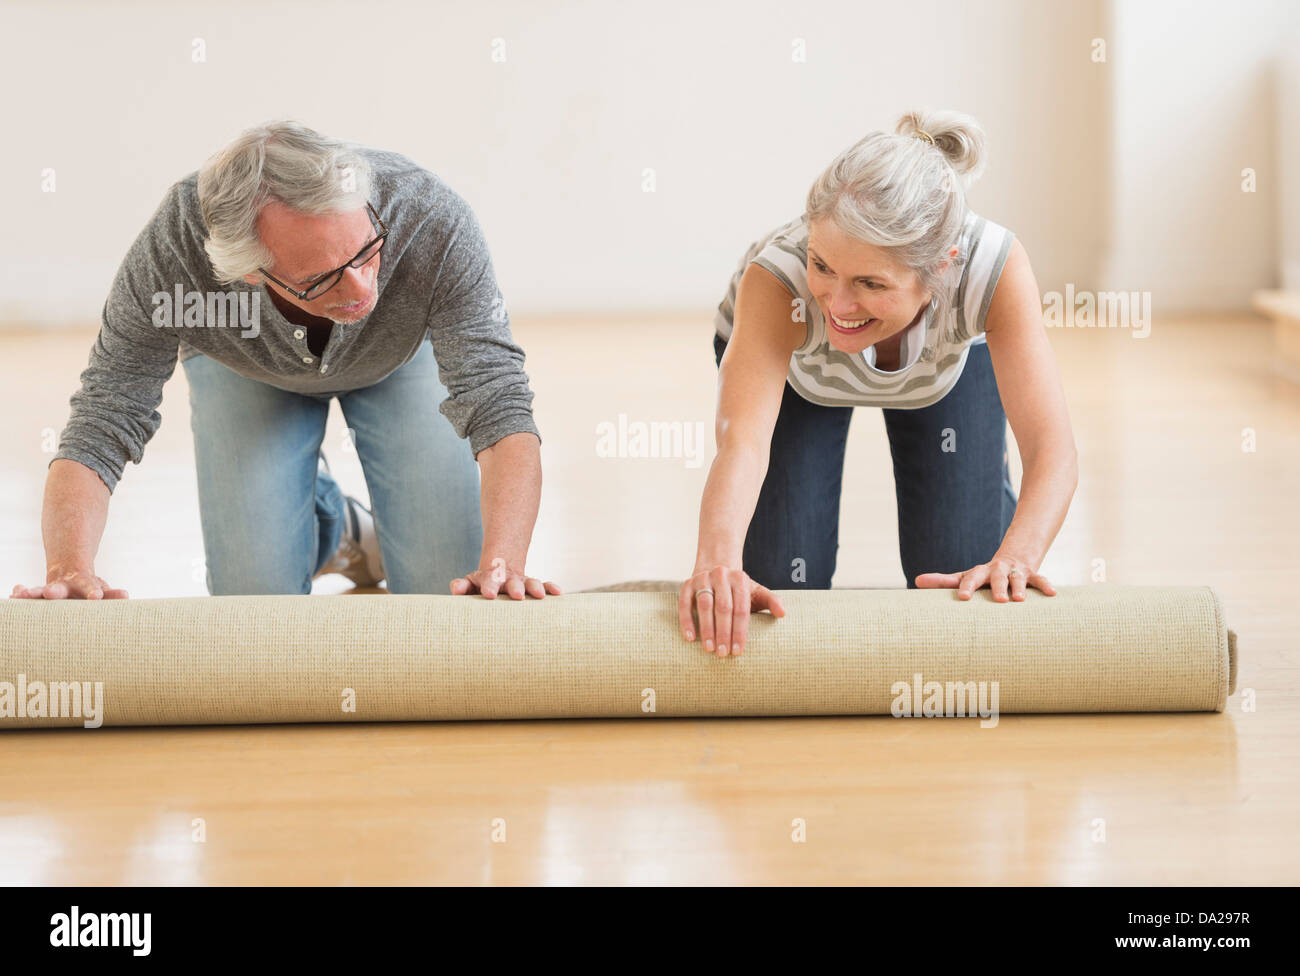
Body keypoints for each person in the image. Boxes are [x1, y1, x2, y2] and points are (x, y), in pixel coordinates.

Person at [11, 121, 560, 601]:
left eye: (366, 251)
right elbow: (105, 415)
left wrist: (504, 563)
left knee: (447, 596)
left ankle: (339, 524)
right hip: (244, 367)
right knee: (257, 608)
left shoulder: (431, 218)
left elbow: (498, 401)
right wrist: (69, 568)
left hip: (397, 362)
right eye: (320, 278)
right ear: (249, 272)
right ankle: (333, 525)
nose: (361, 288)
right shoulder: (172, 254)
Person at [679, 110, 1078, 657]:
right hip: (800, 374)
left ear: (942, 267)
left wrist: (1017, 558)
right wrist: (717, 563)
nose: (838, 305)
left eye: (869, 283)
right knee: (782, 584)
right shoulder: (779, 279)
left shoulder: (994, 268)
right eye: (824, 266)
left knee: (963, 573)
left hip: (944, 371)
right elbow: (743, 443)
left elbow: (1051, 449)